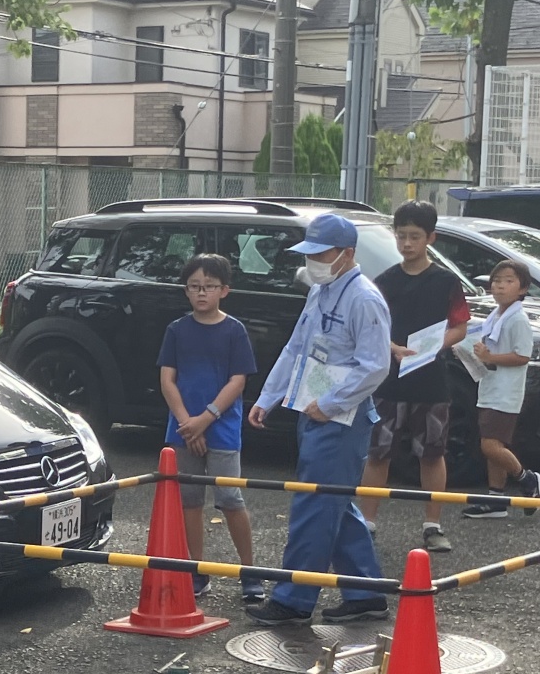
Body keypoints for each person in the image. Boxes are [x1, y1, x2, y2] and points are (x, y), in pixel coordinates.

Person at [246, 213, 390, 625]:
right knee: (335, 505)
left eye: (321, 254)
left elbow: (375, 365)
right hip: (317, 411)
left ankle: (293, 600)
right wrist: (270, 396)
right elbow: (296, 349)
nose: (313, 261)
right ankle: (366, 594)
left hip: (339, 417)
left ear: (347, 254)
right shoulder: (321, 291)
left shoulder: (364, 298)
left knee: (315, 503)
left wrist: (328, 403)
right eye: (309, 253)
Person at [358, 200, 471, 553]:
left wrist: (435, 346)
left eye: (415, 237)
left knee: (432, 453)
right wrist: (392, 347)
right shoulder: (385, 281)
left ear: (431, 238)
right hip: (389, 378)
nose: (407, 243)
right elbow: (373, 326)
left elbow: (461, 326)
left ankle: (432, 525)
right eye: (402, 236)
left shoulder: (446, 281)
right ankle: (367, 524)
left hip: (431, 379)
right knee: (378, 452)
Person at [157, 254, 262, 602]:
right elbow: (167, 380)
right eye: (195, 287)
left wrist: (206, 419)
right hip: (182, 429)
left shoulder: (234, 330)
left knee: (231, 498)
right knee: (189, 500)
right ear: (186, 291)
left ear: (224, 290)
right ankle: (195, 571)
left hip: (222, 429)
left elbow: (238, 381)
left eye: (210, 287)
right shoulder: (176, 330)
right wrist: (188, 423)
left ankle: (250, 572)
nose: (202, 293)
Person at [459, 261, 540, 520]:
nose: (500, 286)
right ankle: (496, 498)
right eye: (497, 280)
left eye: (508, 281)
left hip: (506, 391)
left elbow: (522, 356)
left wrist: (490, 357)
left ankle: (527, 478)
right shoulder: (496, 315)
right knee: (492, 443)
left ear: (523, 288)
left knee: (490, 445)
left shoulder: (517, 319)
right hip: (490, 386)